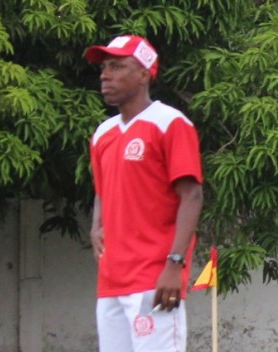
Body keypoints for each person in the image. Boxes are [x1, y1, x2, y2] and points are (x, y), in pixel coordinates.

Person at [84, 34, 203, 352]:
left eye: (117, 66)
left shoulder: (170, 123)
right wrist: (97, 225)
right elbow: (102, 189)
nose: (105, 75)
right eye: (104, 67)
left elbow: (192, 196)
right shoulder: (103, 133)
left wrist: (174, 266)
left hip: (154, 278)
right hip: (111, 280)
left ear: (143, 74)